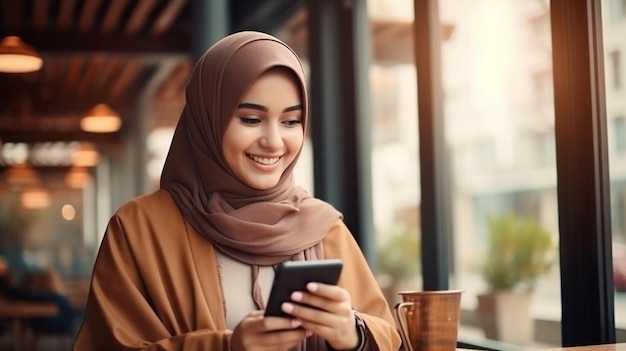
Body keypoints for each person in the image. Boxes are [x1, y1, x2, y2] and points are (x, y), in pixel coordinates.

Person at [73, 31, 402, 351]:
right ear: (208, 121)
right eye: (251, 119)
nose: (274, 141)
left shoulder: (321, 226)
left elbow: (390, 336)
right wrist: (227, 346)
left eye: (290, 122)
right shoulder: (138, 229)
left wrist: (354, 333)